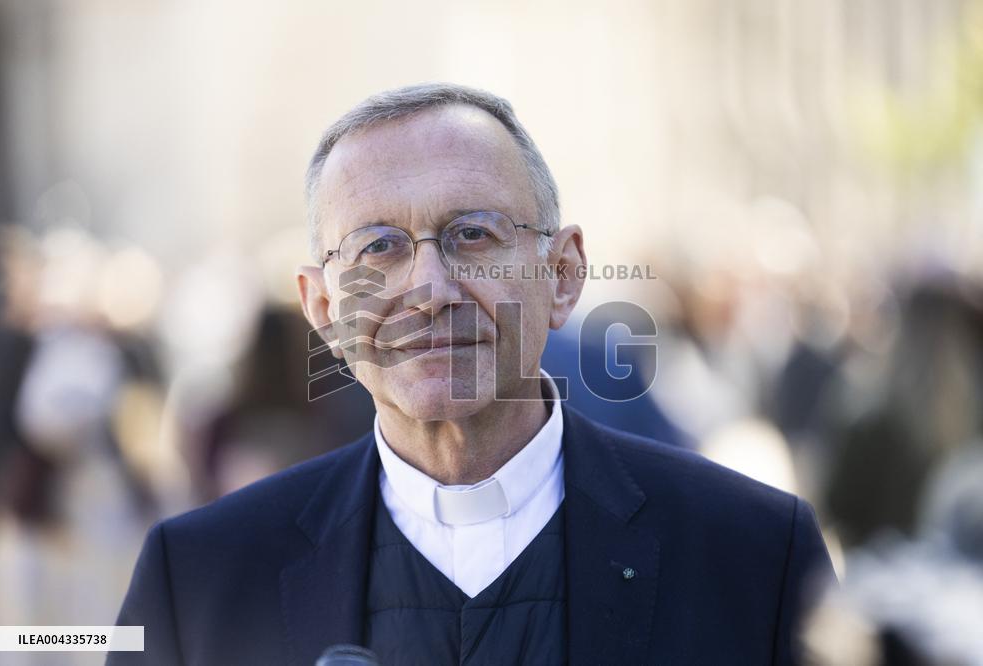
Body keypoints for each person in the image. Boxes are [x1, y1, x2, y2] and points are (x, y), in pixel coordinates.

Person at [111, 83, 833, 665]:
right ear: (324, 308)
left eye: (472, 234)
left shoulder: (752, 554)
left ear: (562, 274)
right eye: (378, 247)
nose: (430, 287)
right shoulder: (201, 579)